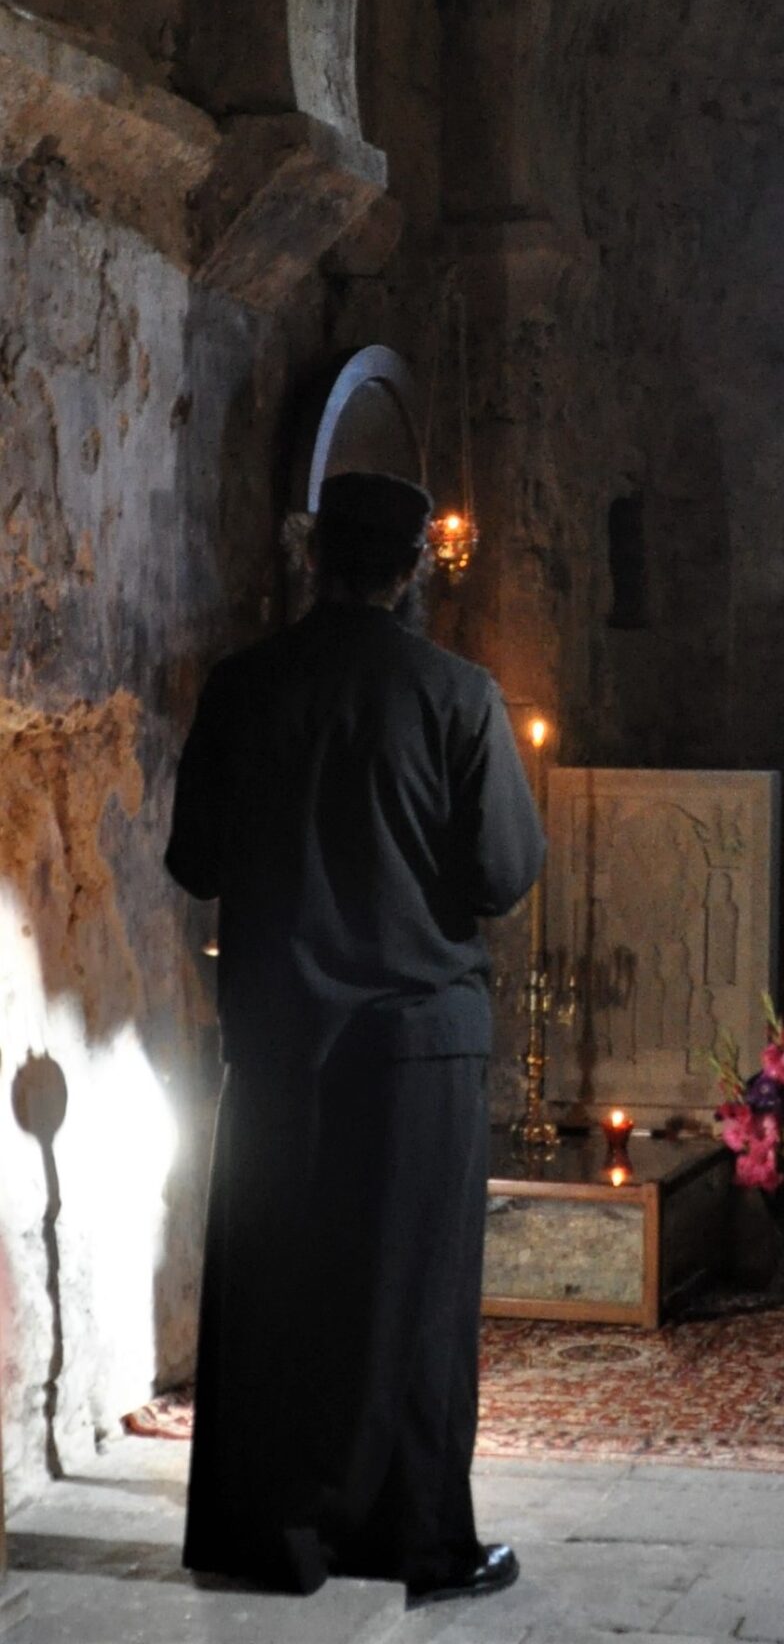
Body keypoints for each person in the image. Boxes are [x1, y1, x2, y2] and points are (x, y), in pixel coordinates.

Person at [166, 470, 545, 1609]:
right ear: (414, 566)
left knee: (276, 1281)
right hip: (416, 1039)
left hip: (281, 1027)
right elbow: (501, 872)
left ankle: (267, 1532)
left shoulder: (243, 686)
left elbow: (195, 860)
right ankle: (417, 1539)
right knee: (410, 1294)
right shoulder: (458, 695)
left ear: (311, 556)